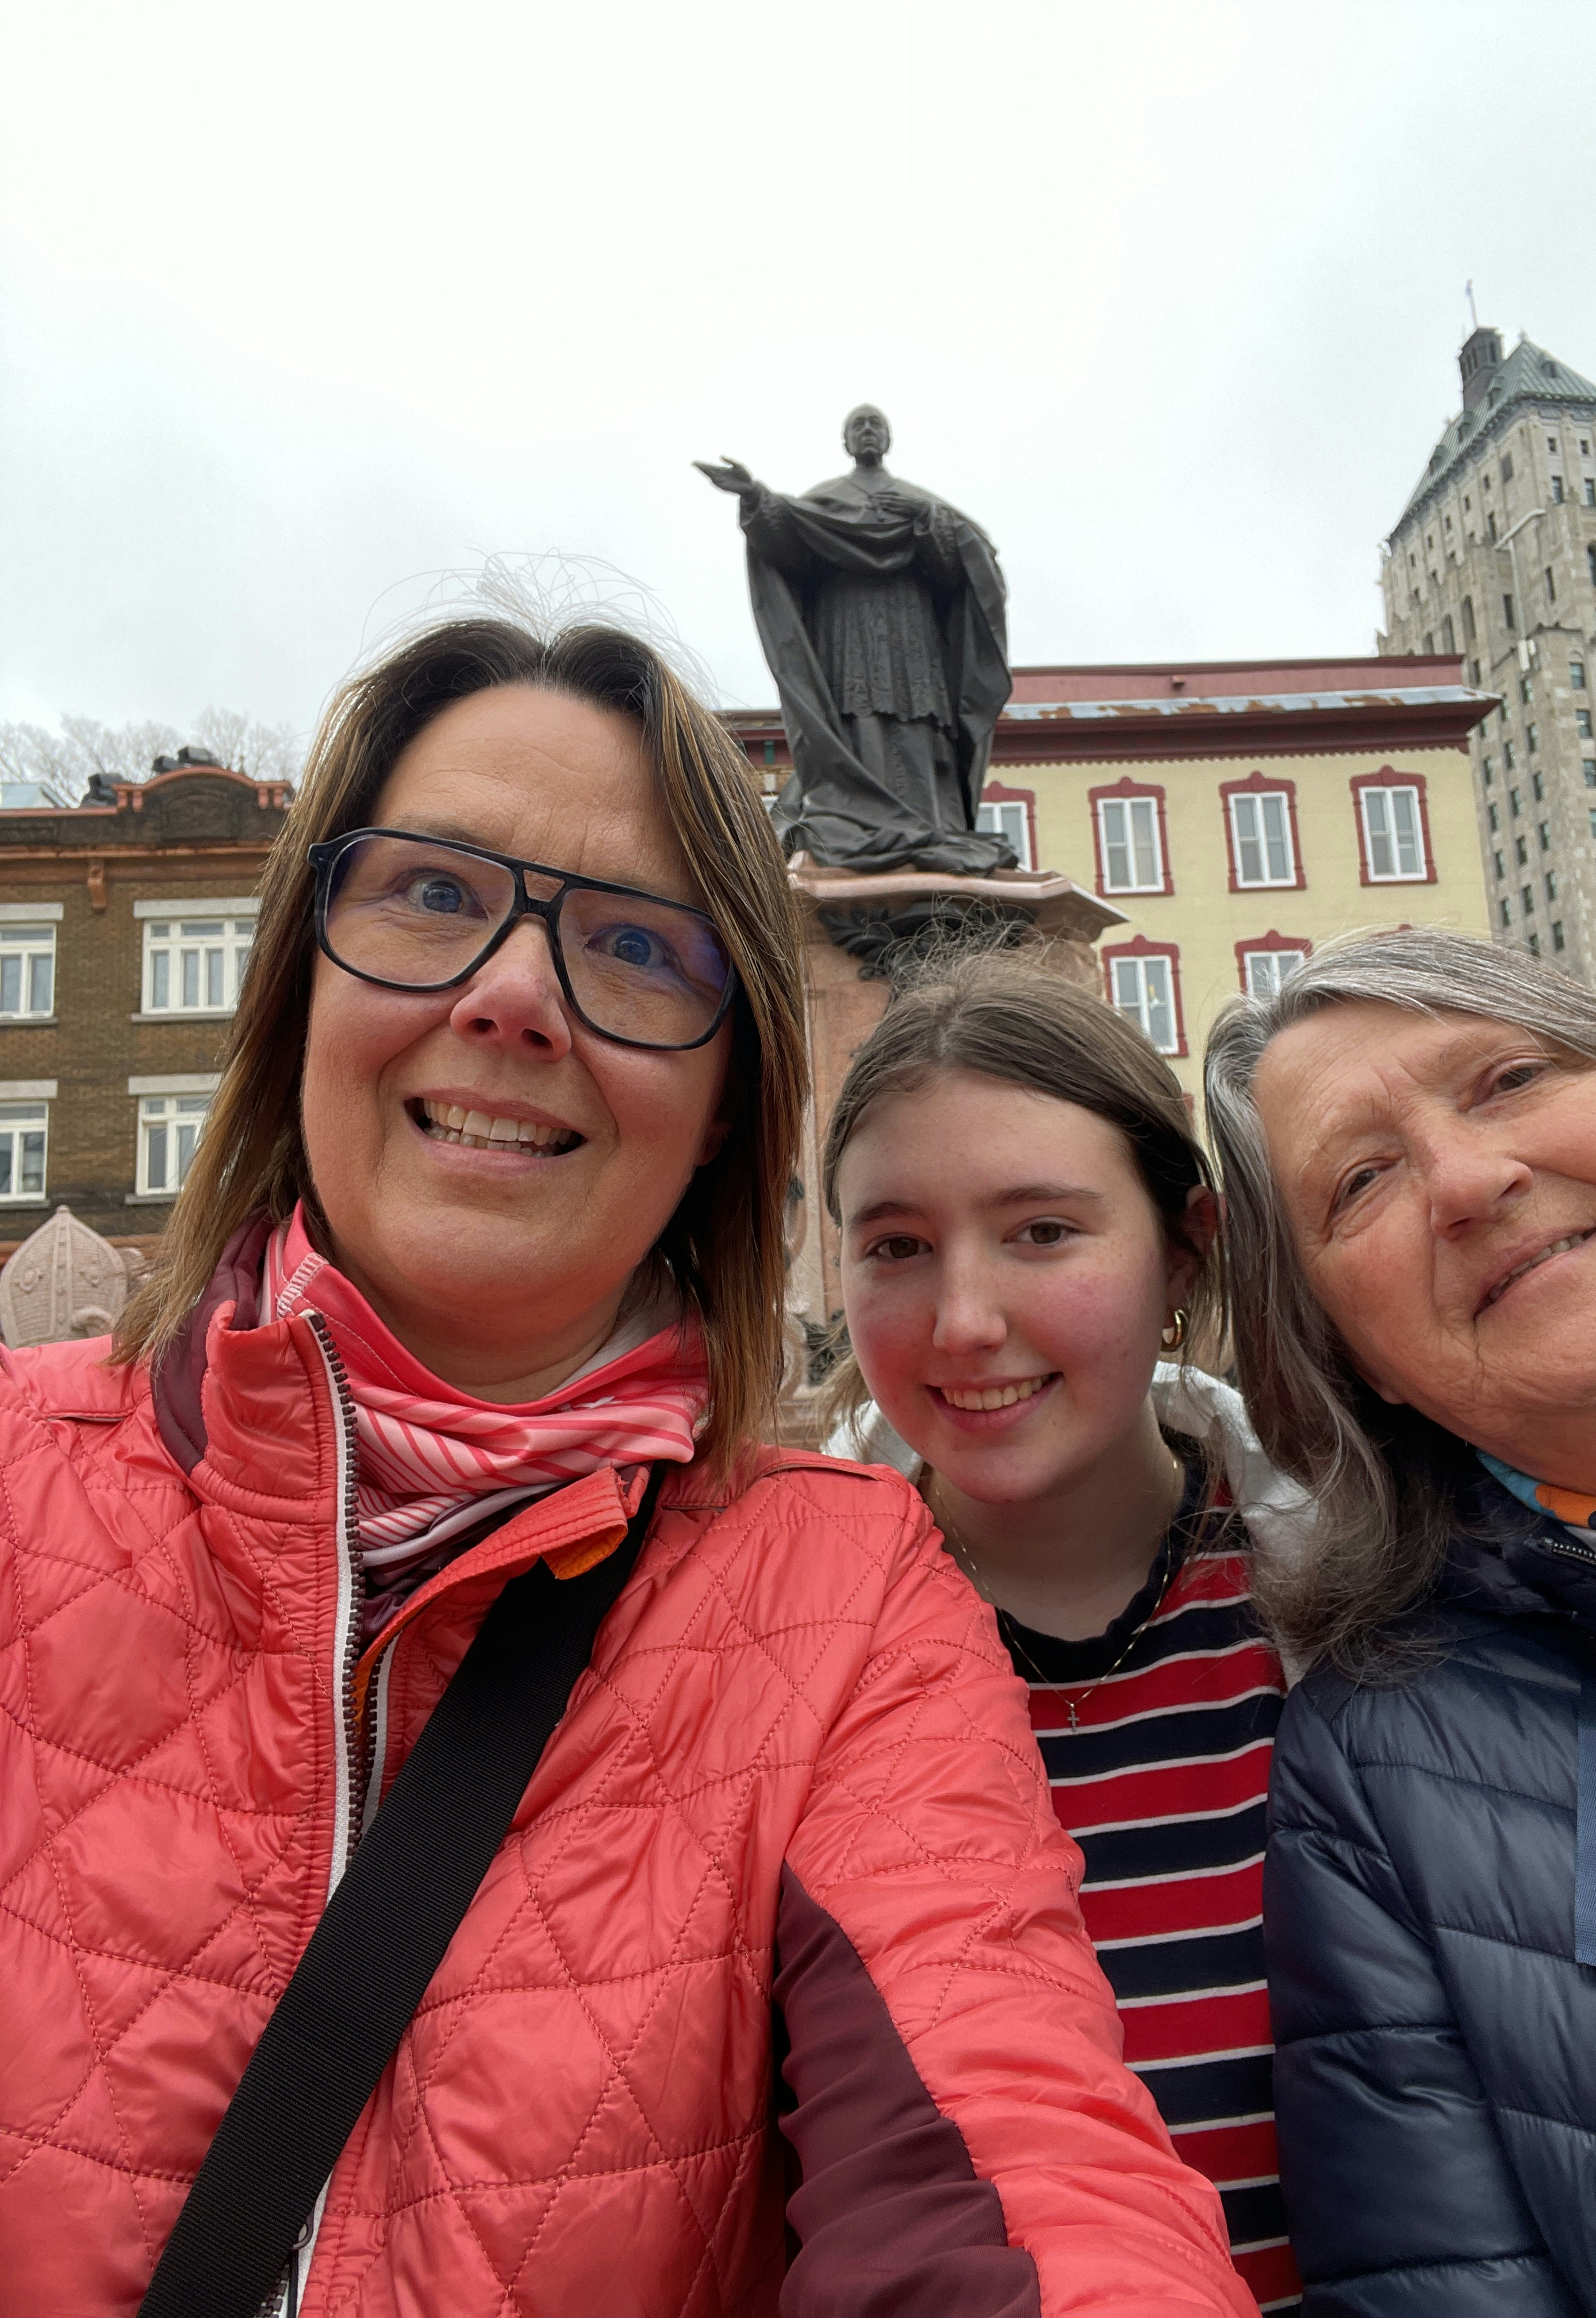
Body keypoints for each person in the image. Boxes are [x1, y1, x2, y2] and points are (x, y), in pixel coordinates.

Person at [0, 617, 1259, 2318]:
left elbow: (1015, 2154)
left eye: (637, 946)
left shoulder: (842, 1596)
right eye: (433, 895)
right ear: (301, 974)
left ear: (731, 1102)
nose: (512, 998)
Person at [1203, 926, 1596, 2316]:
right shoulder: (1380, 1783)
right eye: (1362, 1181)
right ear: (1343, 1355)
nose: (1470, 1179)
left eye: (1508, 1078)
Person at [823, 955, 1307, 2314]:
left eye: (1042, 1232)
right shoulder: (782, 1652)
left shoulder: (1360, 1596)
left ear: (1184, 1249)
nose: (965, 1322)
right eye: (898, 1246)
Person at [695, 404, 1015, 875]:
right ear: (847, 442)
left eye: (875, 425)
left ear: (887, 440)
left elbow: (967, 567)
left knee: (917, 721)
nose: (867, 432)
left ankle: (929, 824)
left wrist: (926, 521)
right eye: (858, 426)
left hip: (911, 633)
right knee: (856, 717)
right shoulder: (826, 500)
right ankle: (854, 818)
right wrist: (754, 497)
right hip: (846, 631)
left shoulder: (919, 501)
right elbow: (785, 539)